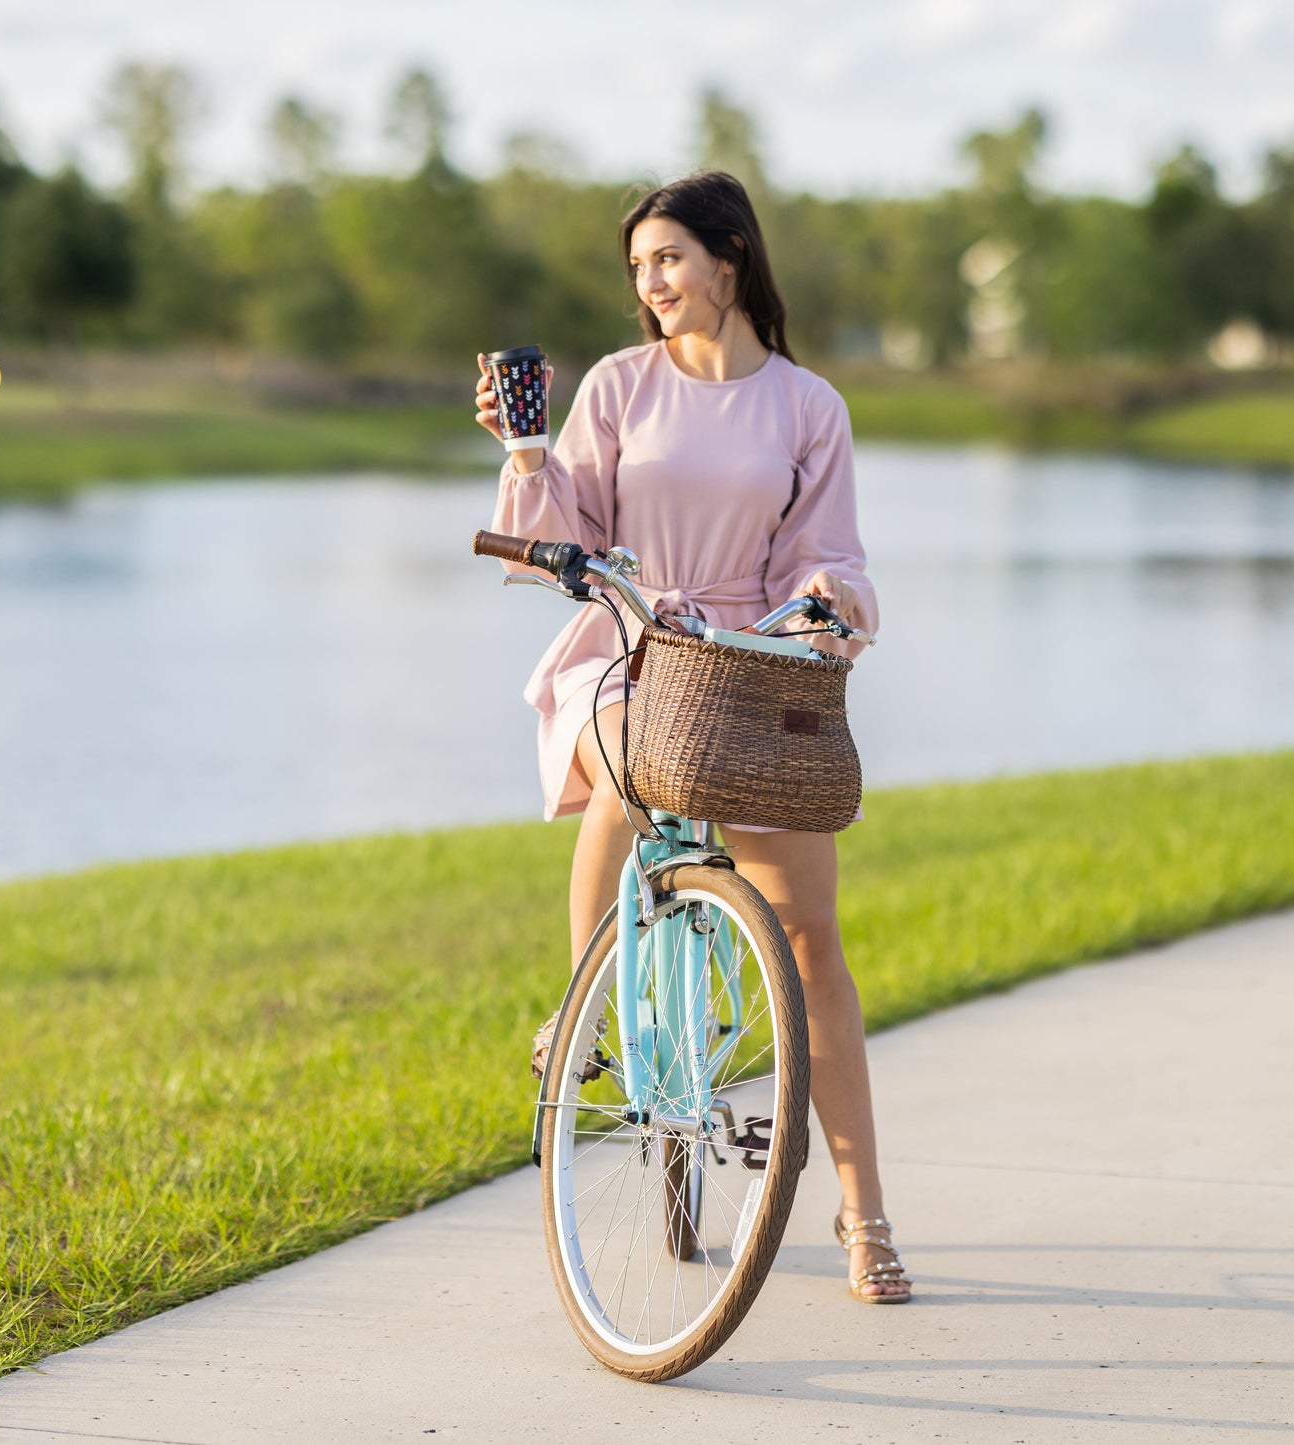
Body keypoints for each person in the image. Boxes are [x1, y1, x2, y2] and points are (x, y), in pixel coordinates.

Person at [475, 172, 910, 1304]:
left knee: (809, 935)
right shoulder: (619, 387)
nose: (649, 283)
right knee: (630, 763)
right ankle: (590, 1004)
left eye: (666, 258)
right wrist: (526, 453)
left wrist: (827, 599)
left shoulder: (807, 405)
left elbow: (834, 550)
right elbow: (554, 539)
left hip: (753, 664)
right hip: (626, 645)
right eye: (636, 268)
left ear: (727, 258)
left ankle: (863, 1213)